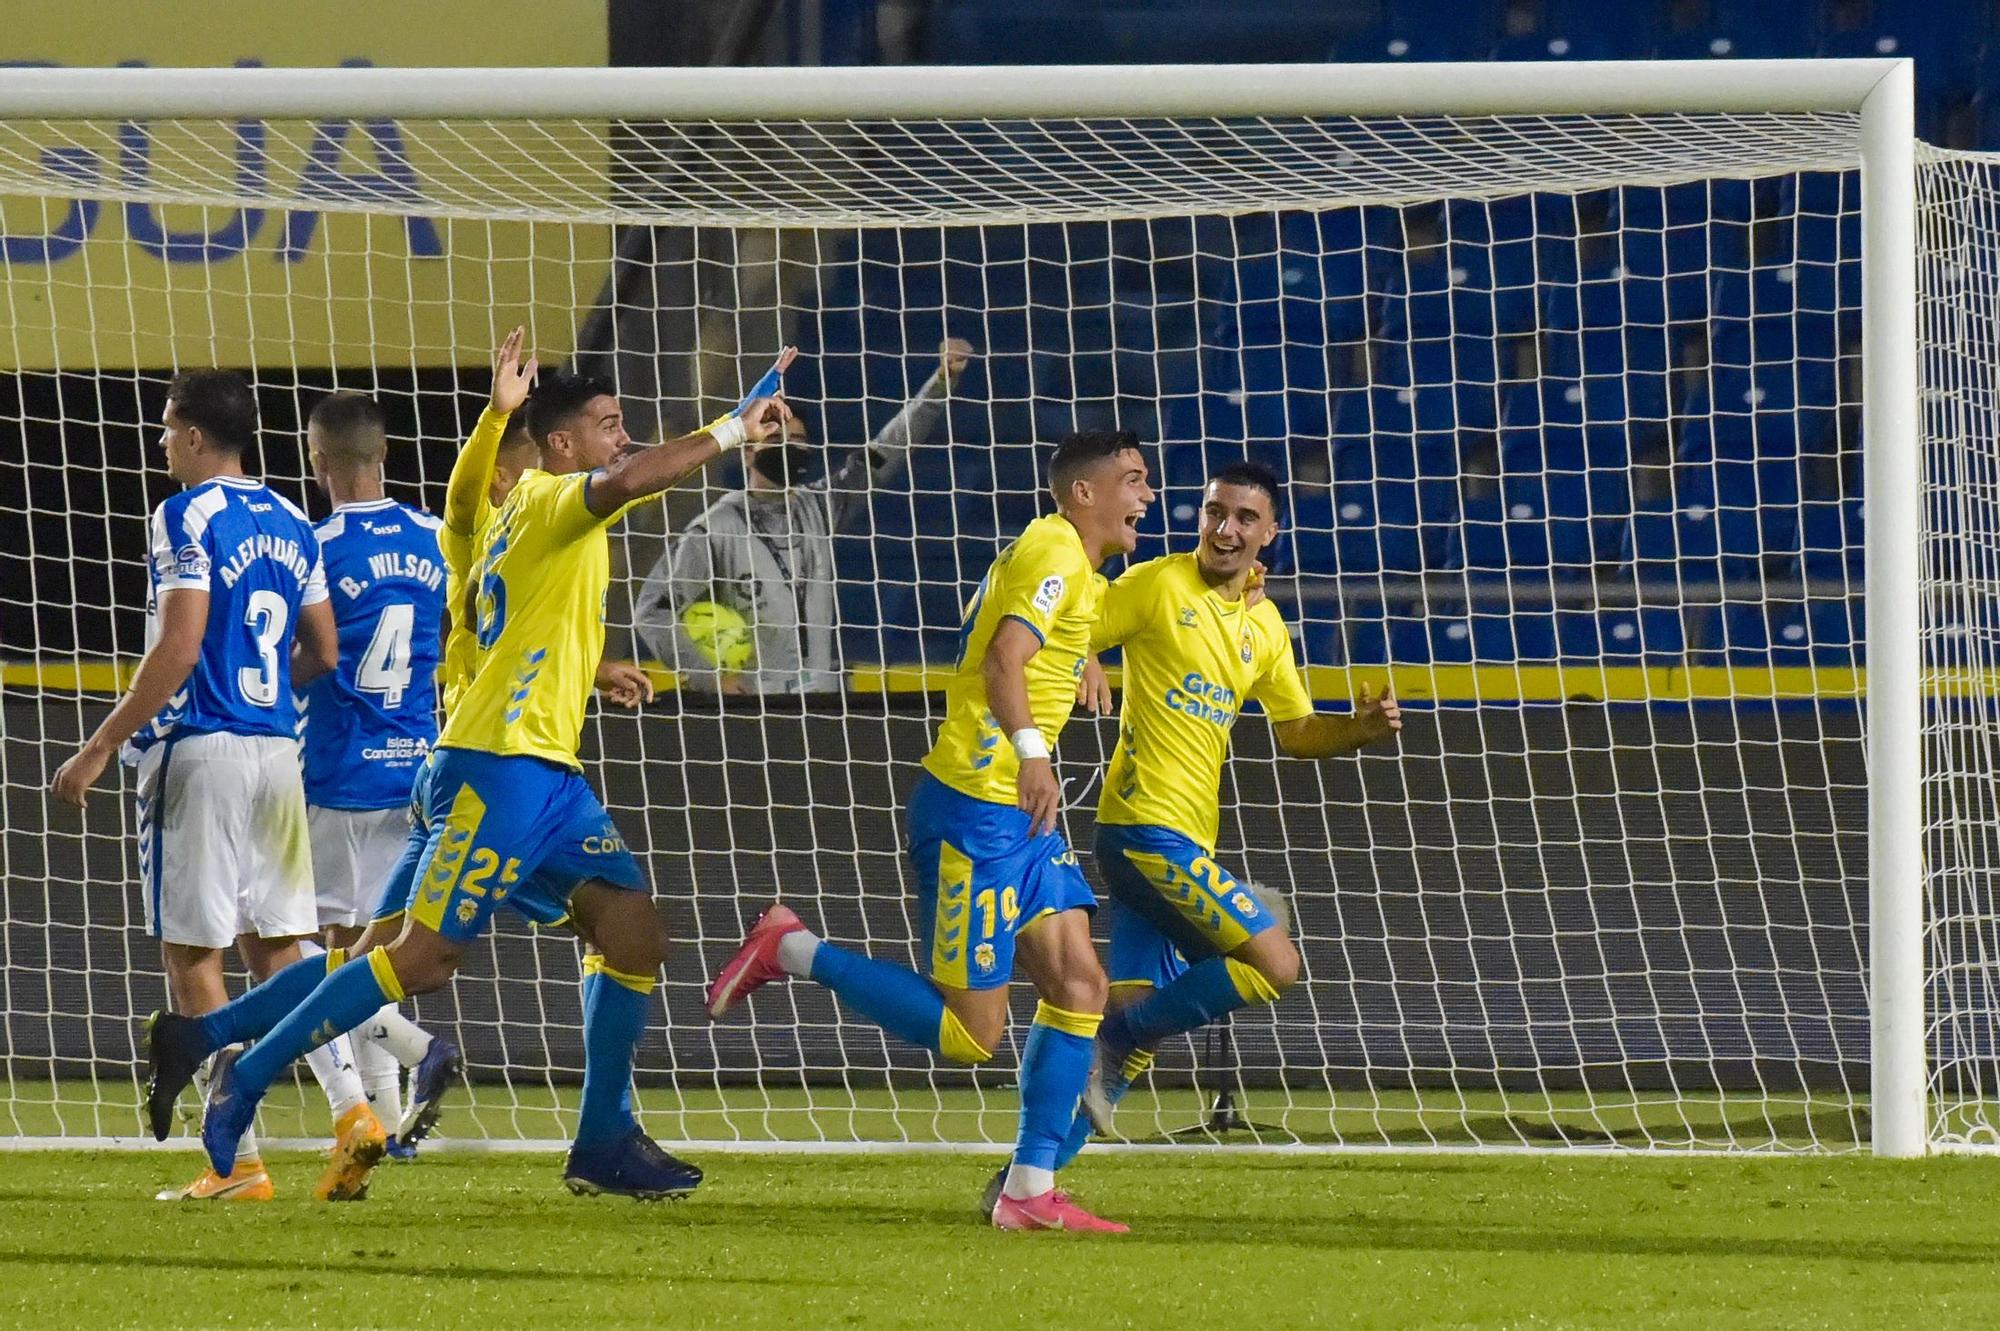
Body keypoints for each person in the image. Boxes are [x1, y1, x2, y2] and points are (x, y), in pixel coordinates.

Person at [163, 364, 790, 1201]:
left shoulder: (482, 520)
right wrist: (734, 430)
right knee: (416, 961)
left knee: (633, 933)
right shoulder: (544, 501)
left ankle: (601, 1134)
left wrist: (494, 420)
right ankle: (247, 1075)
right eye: (607, 423)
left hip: (529, 771)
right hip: (500, 770)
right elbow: (635, 479)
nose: (622, 436)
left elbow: (468, 501)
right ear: (559, 446)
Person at [707, 429, 1156, 1233]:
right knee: (971, 1032)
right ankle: (789, 947)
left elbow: (1021, 628)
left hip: (1021, 821)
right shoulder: (1056, 552)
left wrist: (1084, 651)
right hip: (977, 811)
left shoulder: (1067, 561)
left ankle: (1027, 1188)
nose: (1145, 496)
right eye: (1132, 480)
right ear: (1084, 493)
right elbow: (1002, 661)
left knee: (1083, 987)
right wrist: (1031, 754)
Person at [982, 461, 1401, 1211]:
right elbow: (1072, 616)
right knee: (1275, 960)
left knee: (1130, 1028)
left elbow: (1297, 731)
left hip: (1187, 842)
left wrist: (1359, 730)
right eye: (1215, 512)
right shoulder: (1157, 583)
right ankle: (1113, 1045)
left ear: (1269, 532)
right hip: (1141, 828)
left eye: (1244, 517)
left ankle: (1024, 1181)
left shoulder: (1266, 626)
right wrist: (1088, 657)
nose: (1226, 528)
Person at [49, 370, 379, 1203]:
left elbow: (182, 643)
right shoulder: (292, 522)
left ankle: (238, 1166)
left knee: (192, 954)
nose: (162, 443)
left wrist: (98, 746)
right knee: (282, 949)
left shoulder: (184, 514)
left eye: (166, 429)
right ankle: (354, 1114)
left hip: (200, 752)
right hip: (277, 752)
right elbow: (325, 652)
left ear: (197, 437)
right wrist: (264, 688)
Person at [297, 389, 461, 1162]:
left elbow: (314, 654)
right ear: (386, 452)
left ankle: (413, 1049)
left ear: (316, 459)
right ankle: (392, 1126)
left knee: (323, 950)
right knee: (376, 953)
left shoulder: (312, 544)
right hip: (418, 773)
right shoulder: (436, 536)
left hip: (334, 775)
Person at [633, 337, 974, 693]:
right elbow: (652, 612)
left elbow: (888, 450)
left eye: (798, 440)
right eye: (776, 438)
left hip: (826, 700)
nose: (790, 449)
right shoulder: (716, 528)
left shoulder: (821, 506)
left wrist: (940, 383)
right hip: (754, 708)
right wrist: (709, 676)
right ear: (748, 451)